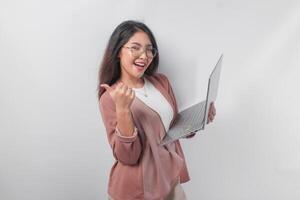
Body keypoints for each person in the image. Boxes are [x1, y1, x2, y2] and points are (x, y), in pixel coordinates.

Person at [97, 20, 216, 200]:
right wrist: (123, 110)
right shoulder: (111, 97)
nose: (144, 56)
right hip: (138, 189)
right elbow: (128, 156)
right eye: (135, 48)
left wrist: (200, 118)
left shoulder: (161, 83)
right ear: (118, 52)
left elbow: (172, 128)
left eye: (149, 49)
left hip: (169, 179)